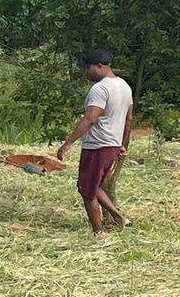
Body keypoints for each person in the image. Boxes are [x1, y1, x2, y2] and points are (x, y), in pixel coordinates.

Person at [56, 48, 134, 235]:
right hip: (112, 144)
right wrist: (121, 144)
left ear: (99, 66)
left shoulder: (100, 89)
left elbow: (90, 118)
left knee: (87, 191)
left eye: (88, 68)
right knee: (93, 185)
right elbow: (129, 119)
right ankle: (119, 217)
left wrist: (68, 143)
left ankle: (98, 233)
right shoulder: (124, 86)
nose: (86, 72)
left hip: (97, 145)